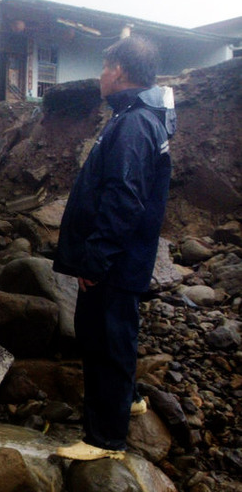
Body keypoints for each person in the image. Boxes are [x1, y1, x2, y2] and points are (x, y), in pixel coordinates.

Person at [53, 35, 176, 461]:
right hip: (125, 256)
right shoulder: (137, 116)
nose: (101, 75)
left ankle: (105, 439)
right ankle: (128, 399)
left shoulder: (136, 123)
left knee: (105, 337)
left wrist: (97, 259)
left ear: (120, 71)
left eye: (105, 68)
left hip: (117, 259)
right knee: (109, 331)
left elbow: (124, 195)